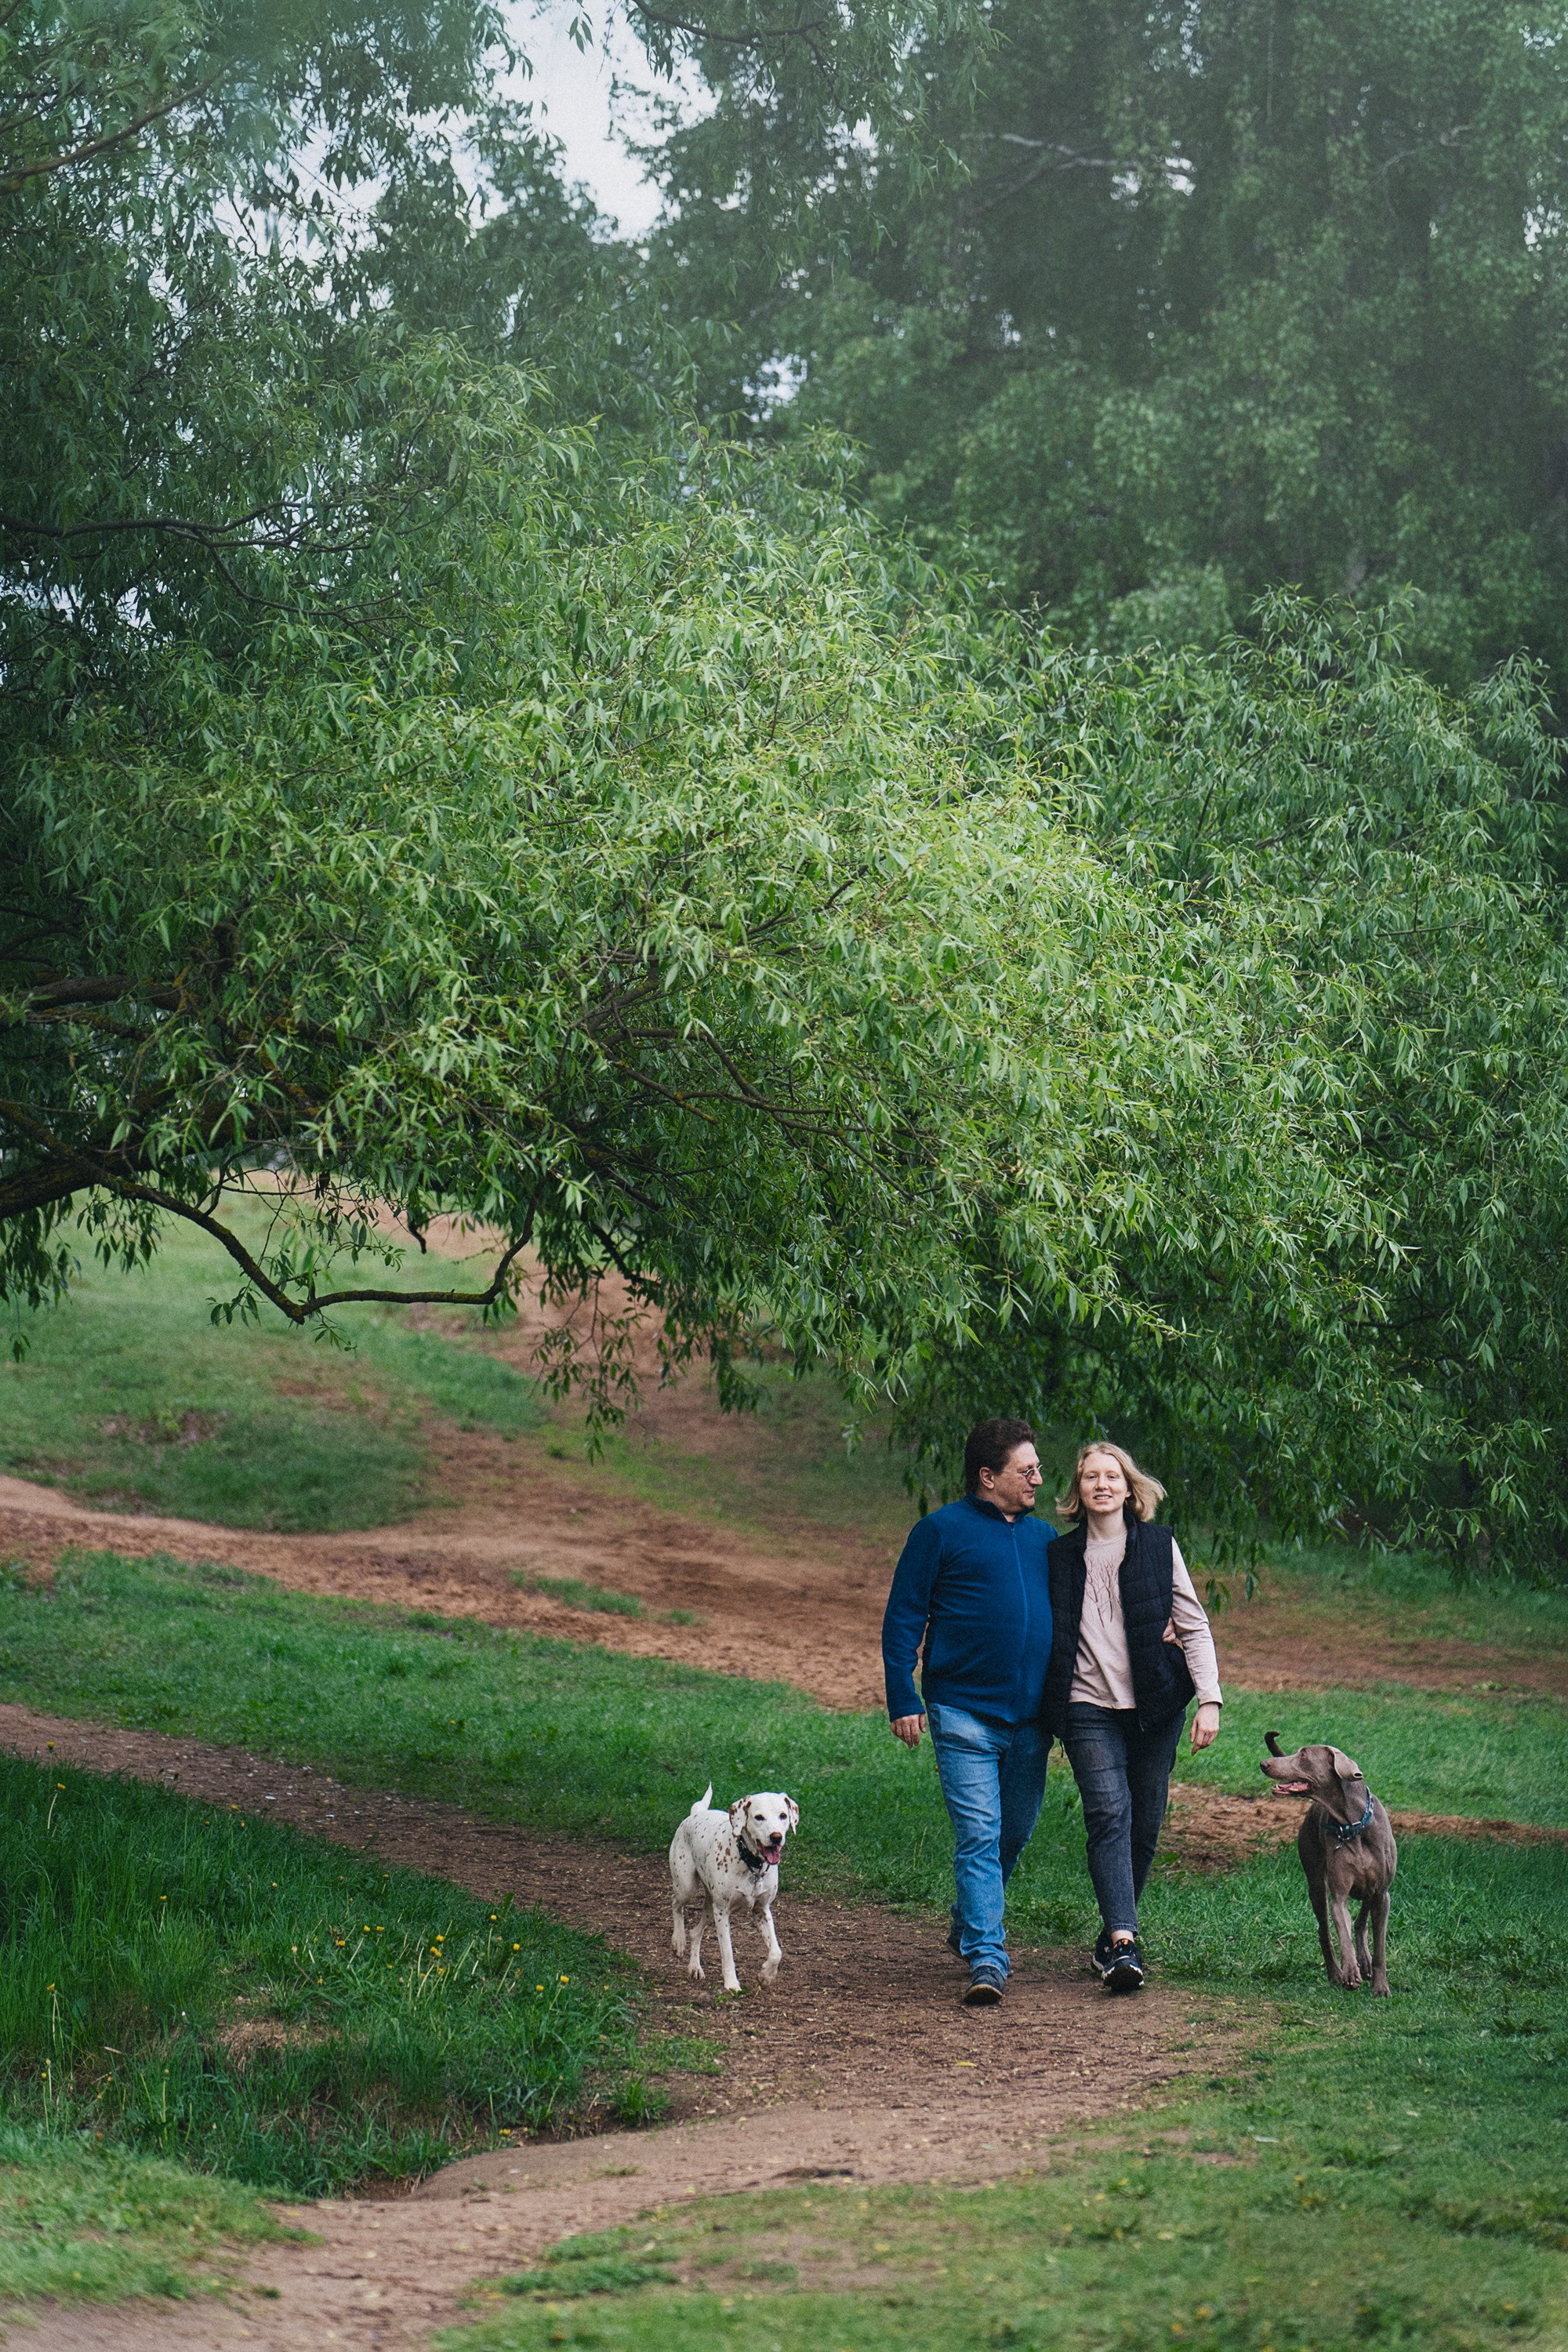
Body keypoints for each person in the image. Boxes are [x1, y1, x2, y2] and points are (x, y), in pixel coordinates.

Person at [881, 1417, 1054, 2008]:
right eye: (1026, 1470)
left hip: (1032, 1719)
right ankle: (987, 1956)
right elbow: (904, 1616)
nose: (1037, 1479)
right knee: (979, 1834)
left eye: (1037, 1468)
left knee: (1014, 1833)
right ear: (987, 1476)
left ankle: (967, 1921)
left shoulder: (1045, 1539)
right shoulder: (939, 1531)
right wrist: (902, 1695)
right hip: (961, 1712)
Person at [1044, 1441, 1221, 1994]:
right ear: (1078, 1491)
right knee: (1108, 1814)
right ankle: (1124, 1942)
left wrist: (1209, 1700)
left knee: (1144, 1826)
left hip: (1156, 1707)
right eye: (1091, 1477)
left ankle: (1112, 1929)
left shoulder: (1159, 1546)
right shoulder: (1057, 1556)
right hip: (1086, 1707)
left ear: (1128, 1488)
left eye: (1112, 1476)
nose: (1102, 1485)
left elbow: (1192, 1625)